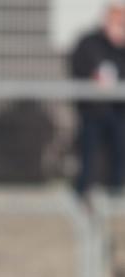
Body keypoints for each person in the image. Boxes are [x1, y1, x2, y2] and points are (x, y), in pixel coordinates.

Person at [70, 2, 125, 200]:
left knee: (119, 153)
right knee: (89, 155)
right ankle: (83, 195)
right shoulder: (89, 42)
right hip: (92, 110)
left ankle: (116, 195)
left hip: (119, 112)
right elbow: (77, 67)